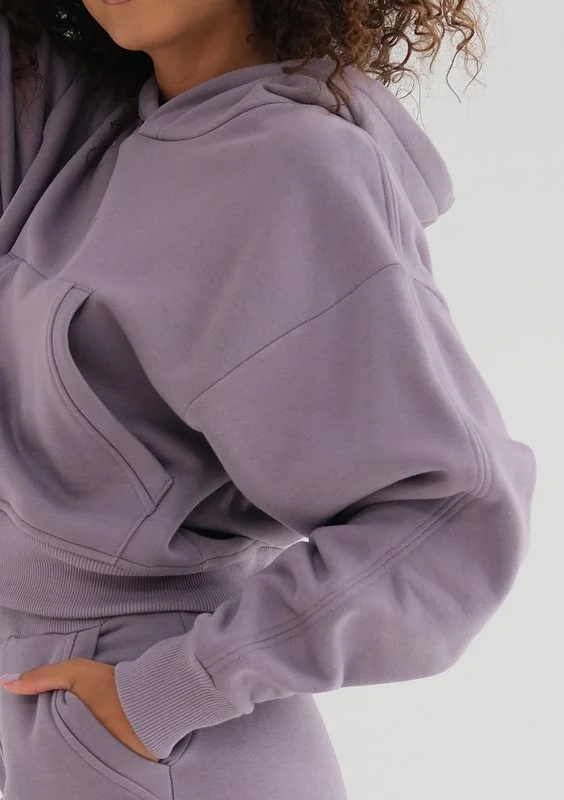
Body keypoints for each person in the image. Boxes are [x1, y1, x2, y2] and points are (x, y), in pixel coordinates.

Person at [0, 1, 536, 798]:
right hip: (72, 733)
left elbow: (451, 518)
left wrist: (167, 693)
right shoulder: (86, 121)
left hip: (159, 752)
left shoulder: (292, 167)